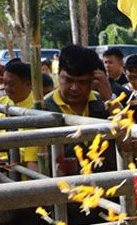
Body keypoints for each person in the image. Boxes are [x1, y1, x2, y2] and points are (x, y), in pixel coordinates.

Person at [41, 45, 115, 174]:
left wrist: (109, 98)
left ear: (94, 80)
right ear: (58, 75)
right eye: (69, 80)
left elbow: (128, 135)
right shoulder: (42, 109)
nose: (75, 88)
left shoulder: (103, 103)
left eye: (82, 82)